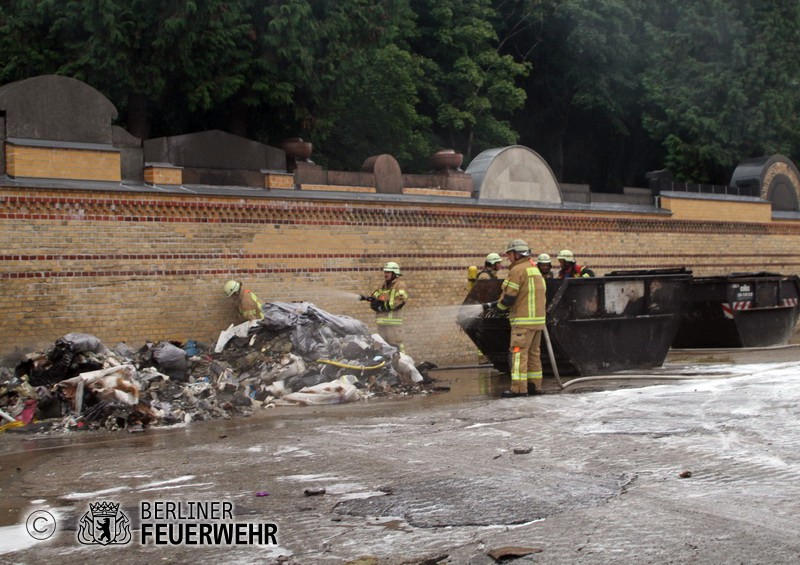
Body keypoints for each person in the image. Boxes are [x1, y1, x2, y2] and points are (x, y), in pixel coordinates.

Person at [484, 239, 546, 397]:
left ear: (517, 254)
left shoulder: (517, 270)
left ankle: (518, 389)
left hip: (523, 322)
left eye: (510, 254)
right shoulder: (534, 269)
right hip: (538, 322)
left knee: (518, 354)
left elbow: (510, 297)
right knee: (533, 354)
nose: (508, 258)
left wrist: (499, 309)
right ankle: (534, 386)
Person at [361, 261, 409, 352]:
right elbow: (375, 296)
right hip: (381, 323)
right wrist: (373, 302)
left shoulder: (400, 285)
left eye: (388, 272)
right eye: (385, 272)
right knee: (383, 348)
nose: (385, 274)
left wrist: (382, 306)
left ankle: (402, 363)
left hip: (393, 325)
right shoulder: (382, 285)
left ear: (394, 273)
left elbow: (400, 301)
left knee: (396, 347)